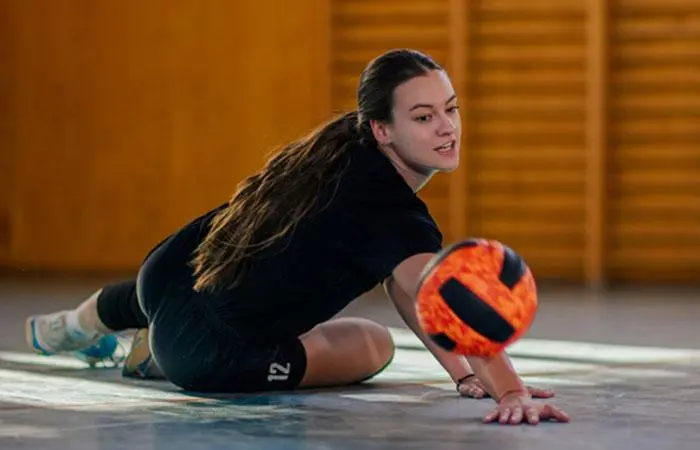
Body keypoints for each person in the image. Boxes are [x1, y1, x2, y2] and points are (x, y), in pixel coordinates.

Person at [25, 49, 569, 425]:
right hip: (207, 356)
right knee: (373, 344)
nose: (447, 128)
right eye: (424, 117)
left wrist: (462, 375)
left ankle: (67, 327)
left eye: (450, 110)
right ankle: (152, 358)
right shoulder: (392, 212)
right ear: (383, 129)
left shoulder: (337, 149)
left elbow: (408, 288)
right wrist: (511, 391)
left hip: (165, 272)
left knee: (184, 293)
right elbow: (441, 296)